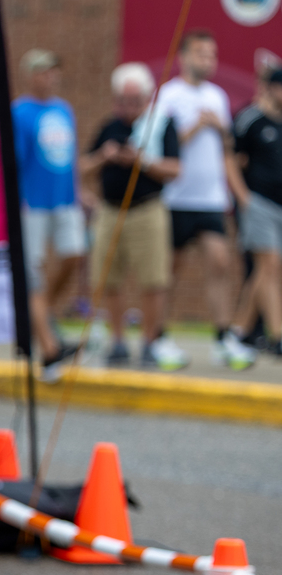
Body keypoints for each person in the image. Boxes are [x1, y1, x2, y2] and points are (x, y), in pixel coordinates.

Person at [155, 30, 255, 370]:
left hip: (211, 198)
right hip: (176, 198)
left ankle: (222, 338)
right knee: (169, 269)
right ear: (184, 57)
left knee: (220, 262)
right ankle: (161, 337)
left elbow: (226, 150)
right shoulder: (169, 95)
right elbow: (161, 146)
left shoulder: (218, 96)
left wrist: (236, 191)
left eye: (212, 55)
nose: (208, 61)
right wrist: (197, 126)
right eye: (201, 54)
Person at [79, 62, 182, 367]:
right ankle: (118, 341)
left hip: (147, 210)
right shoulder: (109, 127)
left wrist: (142, 160)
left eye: (135, 100)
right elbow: (83, 167)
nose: (128, 107)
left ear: (147, 98)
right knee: (107, 278)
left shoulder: (160, 125)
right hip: (110, 211)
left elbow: (175, 169)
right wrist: (104, 156)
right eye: (123, 100)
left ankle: (149, 342)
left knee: (153, 279)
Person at [11, 49, 83, 375]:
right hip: (32, 204)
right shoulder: (20, 112)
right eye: (43, 71)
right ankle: (49, 347)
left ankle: (42, 312)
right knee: (33, 274)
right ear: (31, 75)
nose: (50, 77)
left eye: (53, 71)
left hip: (64, 200)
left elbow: (68, 159)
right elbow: (15, 160)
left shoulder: (64, 110)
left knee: (74, 255)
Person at [229, 67, 282, 355]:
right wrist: (243, 197)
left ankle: (238, 331)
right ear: (272, 88)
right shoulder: (250, 118)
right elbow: (231, 158)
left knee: (267, 271)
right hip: (258, 202)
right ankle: (277, 334)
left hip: (279, 204)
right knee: (269, 265)